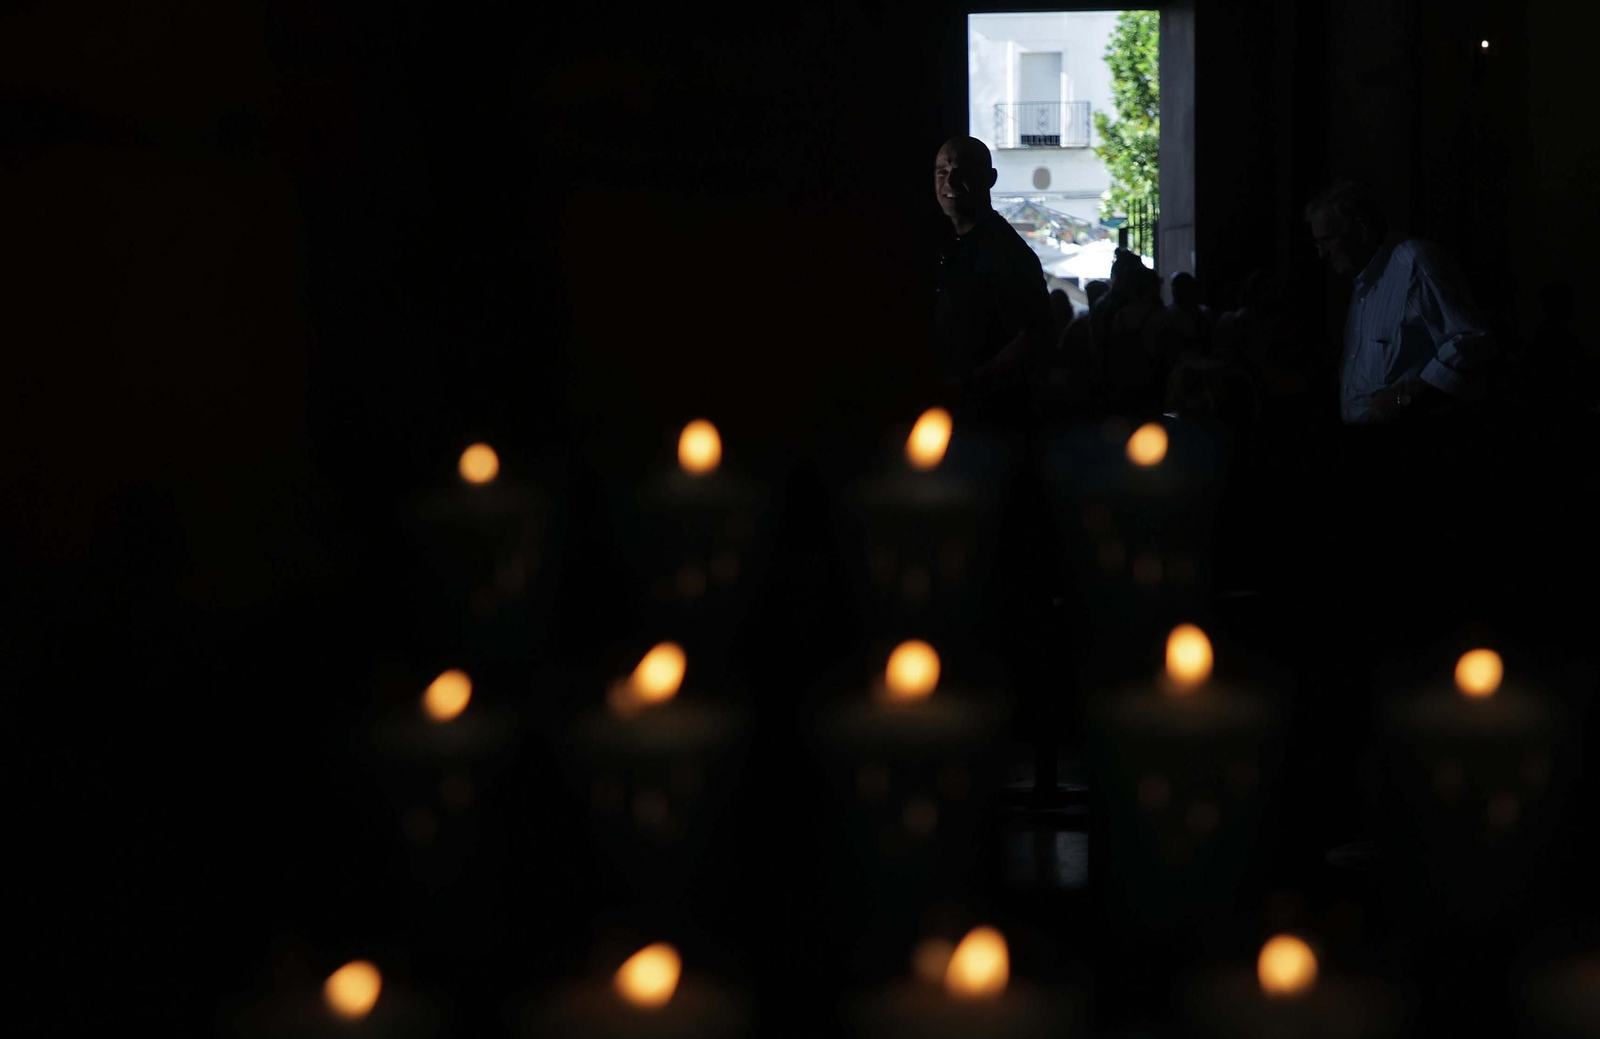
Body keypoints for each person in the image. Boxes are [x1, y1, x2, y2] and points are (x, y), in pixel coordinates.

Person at [1304, 181, 1497, 424]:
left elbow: (1472, 342)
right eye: (1317, 243)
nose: (1321, 253)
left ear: (1361, 228)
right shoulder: (1363, 282)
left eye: (1327, 240)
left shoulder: (1415, 265)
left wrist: (1401, 398)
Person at [933, 135, 1053, 425]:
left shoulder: (1006, 253)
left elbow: (1034, 335)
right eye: (942, 172)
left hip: (992, 422)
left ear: (989, 179)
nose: (949, 182)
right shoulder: (950, 246)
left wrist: (971, 384)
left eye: (962, 172)